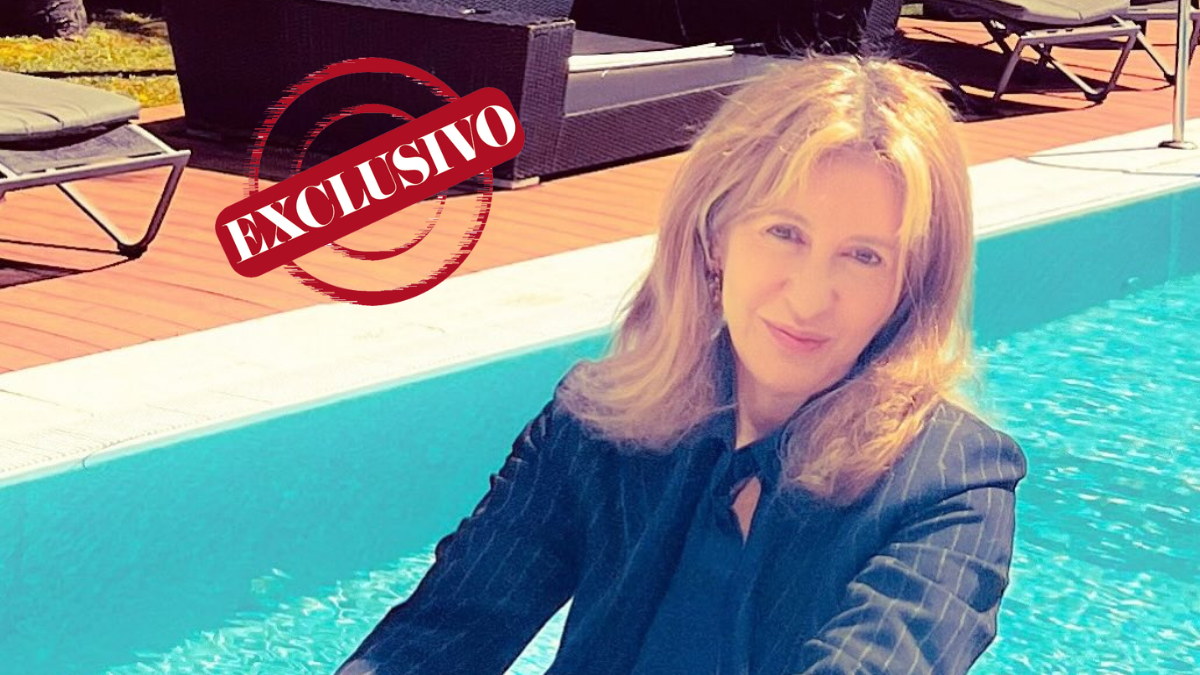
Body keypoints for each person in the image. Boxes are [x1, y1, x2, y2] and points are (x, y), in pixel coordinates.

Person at [333, 53, 1028, 675]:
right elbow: (445, 631)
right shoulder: (601, 419)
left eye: (865, 255)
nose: (810, 296)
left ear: (912, 283)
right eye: (784, 232)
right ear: (716, 234)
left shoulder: (951, 485)